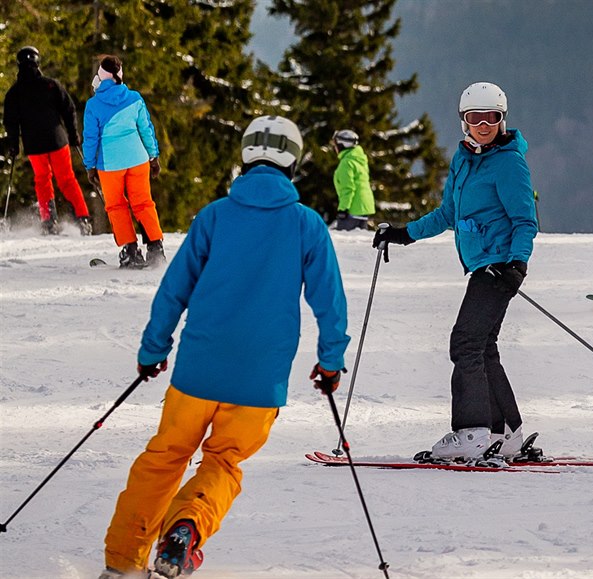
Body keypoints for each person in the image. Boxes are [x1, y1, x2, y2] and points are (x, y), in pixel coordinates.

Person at [99, 115, 350, 579]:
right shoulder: (306, 224)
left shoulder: (215, 215)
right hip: (259, 380)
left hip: (198, 369)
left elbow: (175, 288)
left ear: (246, 155)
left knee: (166, 456)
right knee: (224, 461)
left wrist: (154, 348)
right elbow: (329, 300)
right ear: (292, 161)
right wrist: (330, 361)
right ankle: (186, 528)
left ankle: (122, 562)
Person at [373, 82, 537, 461]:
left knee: (464, 343)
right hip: (482, 265)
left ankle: (472, 433)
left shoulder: (510, 162)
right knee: (482, 346)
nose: (483, 124)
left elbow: (525, 221)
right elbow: (448, 213)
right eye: (474, 118)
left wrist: (517, 263)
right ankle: (506, 432)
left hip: (498, 268)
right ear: (463, 122)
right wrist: (403, 234)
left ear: (502, 119)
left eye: (491, 117)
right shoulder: (463, 159)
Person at [82, 55, 164, 269]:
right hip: (138, 159)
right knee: (143, 202)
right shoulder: (135, 98)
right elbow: (146, 129)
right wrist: (153, 156)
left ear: (100, 78)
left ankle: (130, 251)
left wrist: (90, 166)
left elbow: (90, 139)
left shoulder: (93, 105)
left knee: (117, 205)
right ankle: (155, 248)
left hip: (110, 164)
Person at [2, 46, 92, 235]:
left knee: (42, 181)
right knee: (67, 179)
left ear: (19, 65)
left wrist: (13, 144)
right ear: (37, 63)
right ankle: (82, 218)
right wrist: (73, 133)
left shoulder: (14, 93)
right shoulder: (50, 85)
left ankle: (49, 221)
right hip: (57, 140)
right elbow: (69, 109)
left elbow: (10, 122)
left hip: (34, 145)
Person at [331, 128, 375, 231]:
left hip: (352, 210)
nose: (334, 147)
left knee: (345, 243)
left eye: (335, 144)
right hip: (364, 208)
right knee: (358, 243)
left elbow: (348, 188)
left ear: (341, 145)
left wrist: (343, 209)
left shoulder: (346, 163)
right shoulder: (360, 160)